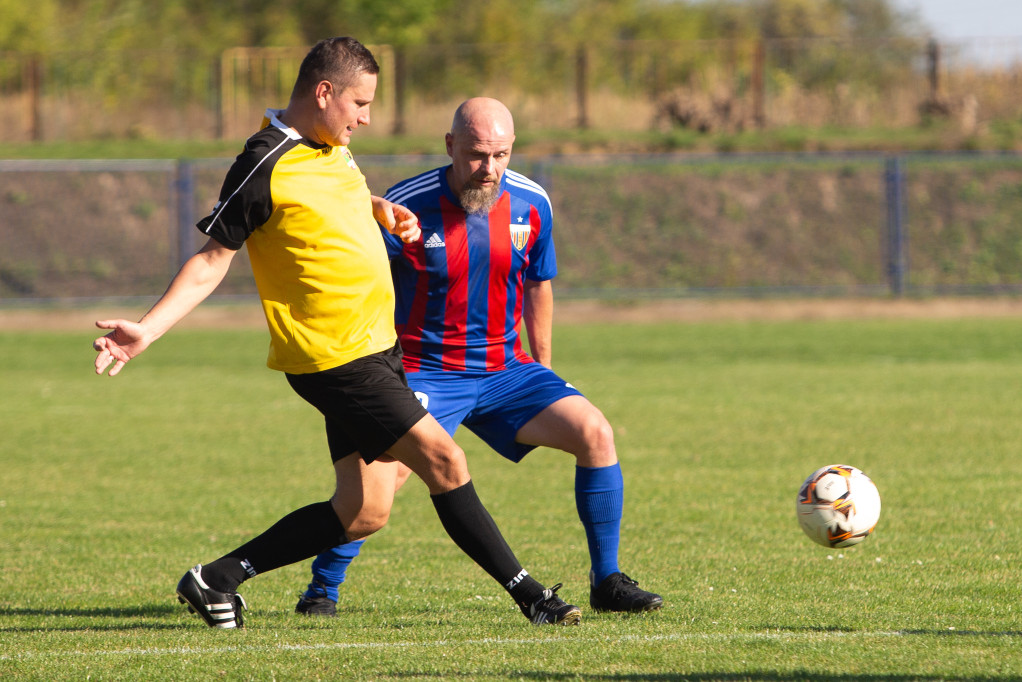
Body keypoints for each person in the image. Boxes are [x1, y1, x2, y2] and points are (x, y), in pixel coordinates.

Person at [92, 38, 581, 629]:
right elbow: (212, 259)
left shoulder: (331, 148)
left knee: (364, 509)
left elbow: (323, 206)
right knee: (446, 462)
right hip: (338, 360)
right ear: (324, 93)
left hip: (377, 348)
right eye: (359, 102)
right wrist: (146, 329)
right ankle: (535, 600)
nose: (366, 117)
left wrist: (376, 209)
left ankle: (216, 579)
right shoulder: (263, 162)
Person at [295, 97, 662, 618]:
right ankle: (321, 590)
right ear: (450, 146)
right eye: (475, 155)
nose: (487, 169)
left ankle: (606, 581)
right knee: (383, 479)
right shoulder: (406, 204)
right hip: (421, 369)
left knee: (595, 432)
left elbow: (539, 285)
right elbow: (358, 278)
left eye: (501, 155)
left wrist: (544, 366)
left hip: (506, 372)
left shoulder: (534, 203)